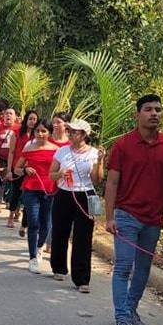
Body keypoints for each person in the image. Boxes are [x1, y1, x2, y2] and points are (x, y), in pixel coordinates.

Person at [105, 94, 163, 325]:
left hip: (154, 218)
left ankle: (130, 309)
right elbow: (112, 182)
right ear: (137, 114)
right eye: (148, 109)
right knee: (123, 267)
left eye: (158, 110)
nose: (154, 114)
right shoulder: (123, 145)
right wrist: (109, 217)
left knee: (143, 269)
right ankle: (122, 318)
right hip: (127, 215)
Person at [48, 119, 104, 292]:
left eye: (75, 132)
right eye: (70, 131)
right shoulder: (62, 151)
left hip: (85, 195)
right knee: (60, 232)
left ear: (84, 135)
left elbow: (96, 180)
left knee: (83, 237)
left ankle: (82, 279)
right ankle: (58, 267)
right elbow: (51, 175)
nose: (71, 134)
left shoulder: (94, 153)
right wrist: (60, 173)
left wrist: (100, 162)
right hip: (64, 194)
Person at [14, 119, 58, 274]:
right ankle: (32, 257)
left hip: (50, 190)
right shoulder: (28, 148)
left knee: (46, 224)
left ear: (50, 133)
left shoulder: (56, 150)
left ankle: (39, 247)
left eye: (44, 131)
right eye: (38, 130)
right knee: (33, 222)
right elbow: (17, 168)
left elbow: (60, 170)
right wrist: (25, 170)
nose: (40, 133)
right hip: (31, 189)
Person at [7, 110, 38, 230]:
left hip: (31, 170)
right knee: (16, 193)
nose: (32, 121)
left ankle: (24, 224)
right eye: (30, 119)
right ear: (26, 120)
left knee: (28, 197)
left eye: (34, 119)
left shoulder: (38, 136)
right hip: (18, 168)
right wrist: (10, 169)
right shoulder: (17, 133)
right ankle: (10, 216)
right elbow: (11, 152)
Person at [0, 108, 19, 214]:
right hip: (0, 158)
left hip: (14, 159)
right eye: (6, 113)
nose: (8, 115)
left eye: (11, 114)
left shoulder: (18, 128)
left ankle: (10, 202)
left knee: (11, 183)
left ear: (15, 117)